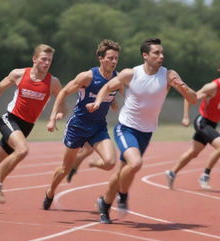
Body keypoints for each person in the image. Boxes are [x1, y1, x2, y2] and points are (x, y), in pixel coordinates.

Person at [86, 38, 197, 224]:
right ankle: (123, 194)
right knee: (135, 164)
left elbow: (193, 99)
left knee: (124, 170)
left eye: (162, 53)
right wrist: (98, 102)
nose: (161, 56)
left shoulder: (169, 75)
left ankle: (104, 203)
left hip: (146, 132)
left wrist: (183, 87)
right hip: (126, 127)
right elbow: (107, 86)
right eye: (156, 53)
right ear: (145, 55)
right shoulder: (131, 74)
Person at [0, 44, 63, 203]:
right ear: (34, 59)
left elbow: (61, 99)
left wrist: (57, 115)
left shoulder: (53, 82)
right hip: (10, 120)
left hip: (26, 127)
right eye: (43, 59)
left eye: (49, 60)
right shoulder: (18, 74)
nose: (46, 63)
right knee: (22, 150)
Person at [43, 39, 121, 210]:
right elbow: (63, 92)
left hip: (98, 127)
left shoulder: (117, 78)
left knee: (109, 162)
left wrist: (113, 102)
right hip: (78, 126)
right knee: (65, 168)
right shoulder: (88, 76)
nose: (114, 62)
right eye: (110, 58)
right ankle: (50, 191)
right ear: (101, 58)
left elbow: (113, 92)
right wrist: (52, 117)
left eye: (116, 58)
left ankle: (93, 162)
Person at [165, 66, 220, 190]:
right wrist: (185, 117)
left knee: (194, 152)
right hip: (203, 122)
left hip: (212, 124)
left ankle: (172, 173)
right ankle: (205, 176)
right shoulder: (212, 87)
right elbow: (191, 97)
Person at [66, 98, 120, 183]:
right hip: (82, 124)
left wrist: (112, 101)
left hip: (96, 126)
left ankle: (73, 168)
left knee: (87, 150)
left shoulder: (109, 90)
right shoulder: (90, 88)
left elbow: (114, 106)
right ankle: (71, 168)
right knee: (87, 150)